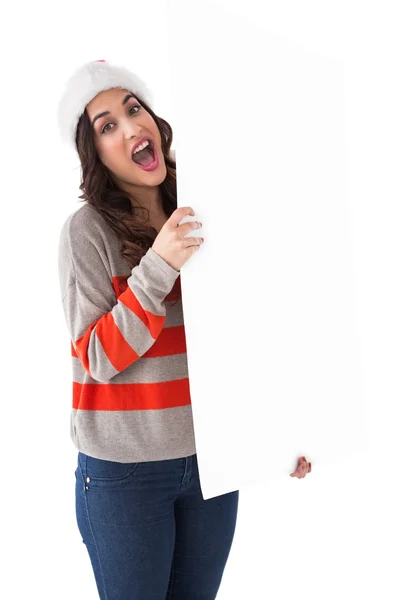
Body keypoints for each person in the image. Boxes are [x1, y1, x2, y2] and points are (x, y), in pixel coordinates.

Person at [57, 59, 311, 600]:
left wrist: (279, 435)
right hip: (125, 477)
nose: (129, 128)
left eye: (133, 109)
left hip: (215, 463)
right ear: (93, 153)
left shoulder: (208, 206)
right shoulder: (87, 232)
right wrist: (158, 266)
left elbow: (249, 334)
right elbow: (97, 359)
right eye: (106, 126)